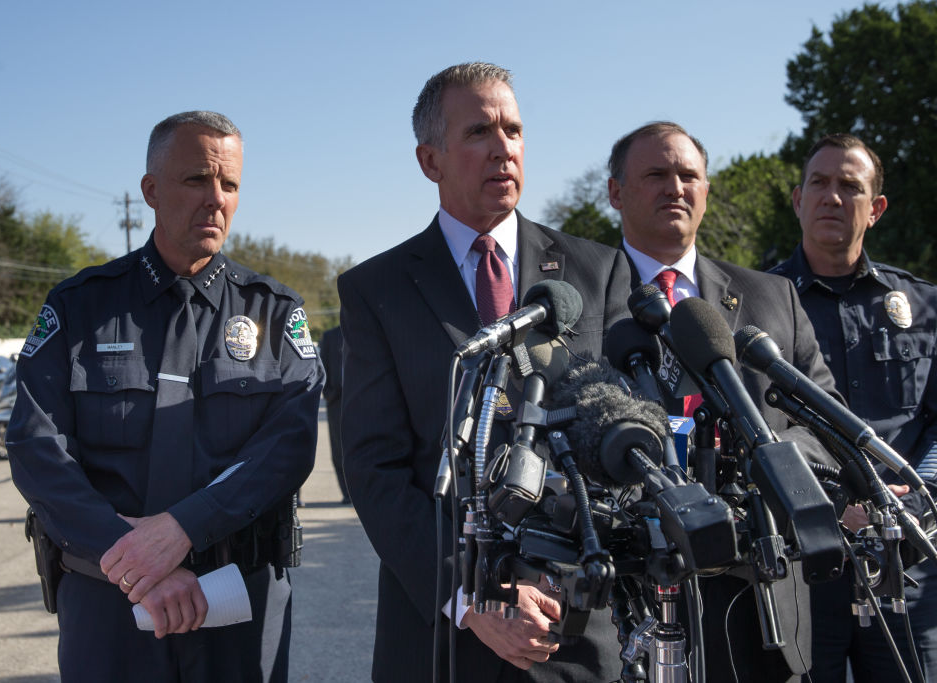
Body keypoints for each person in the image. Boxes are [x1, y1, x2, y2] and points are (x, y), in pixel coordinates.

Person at [339, 62, 633, 682]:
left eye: (514, 130)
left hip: (571, 624)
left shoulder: (595, 270)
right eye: (478, 132)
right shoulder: (377, 290)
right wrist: (475, 599)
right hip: (442, 630)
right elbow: (375, 469)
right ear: (430, 160)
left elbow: (619, 432)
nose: (504, 147)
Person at [6, 111, 324, 683]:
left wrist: (181, 529)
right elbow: (36, 448)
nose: (216, 200)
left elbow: (288, 446)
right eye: (197, 179)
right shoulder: (81, 307)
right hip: (109, 601)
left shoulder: (274, 312)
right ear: (150, 190)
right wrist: (135, 559)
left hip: (236, 598)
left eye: (229, 185)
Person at [605, 121, 840, 682]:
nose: (676, 188)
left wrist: (769, 459)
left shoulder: (771, 296)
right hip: (627, 607)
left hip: (760, 605)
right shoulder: (578, 298)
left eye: (690, 175)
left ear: (707, 189)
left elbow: (824, 416)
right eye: (656, 175)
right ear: (616, 192)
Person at [771, 133, 937, 683]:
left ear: (876, 209)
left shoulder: (924, 306)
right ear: (798, 200)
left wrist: (920, 498)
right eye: (819, 184)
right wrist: (834, 501)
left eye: (850, 186)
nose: (832, 198)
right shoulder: (758, 305)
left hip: (907, 564)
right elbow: (751, 431)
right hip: (800, 566)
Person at [318, 325, 349, 503]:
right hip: (336, 401)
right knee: (338, 449)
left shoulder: (361, 328)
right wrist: (329, 393)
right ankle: (346, 493)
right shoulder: (330, 336)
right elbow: (322, 364)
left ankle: (358, 491)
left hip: (359, 400)